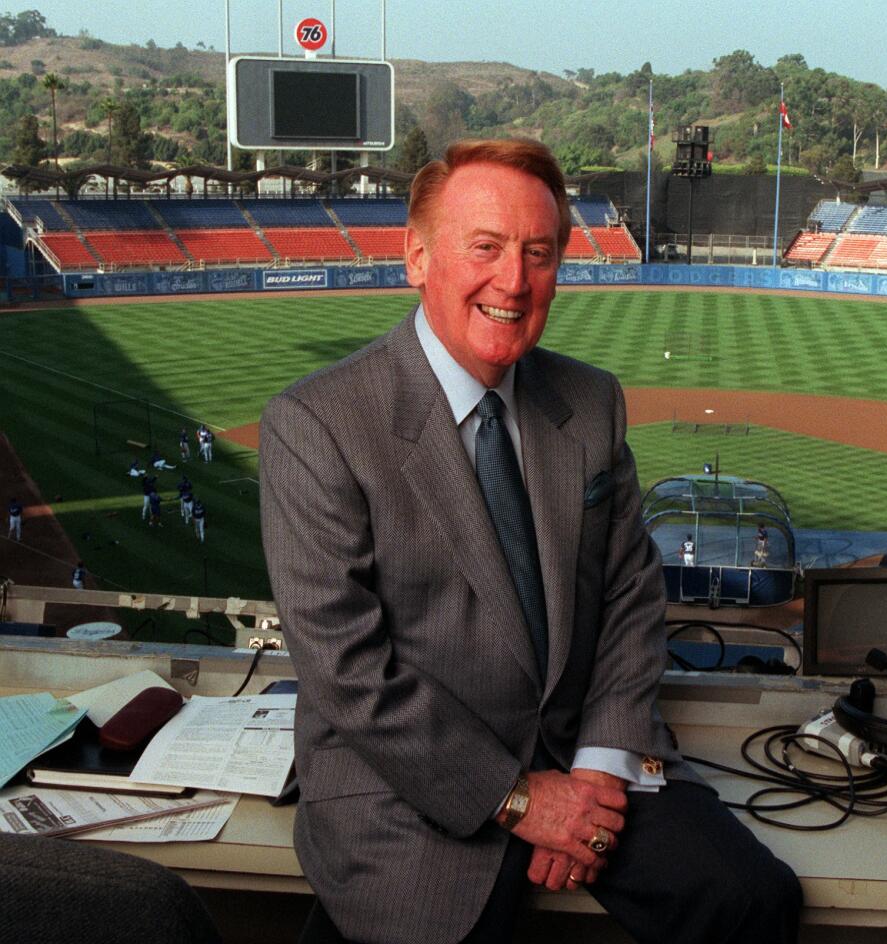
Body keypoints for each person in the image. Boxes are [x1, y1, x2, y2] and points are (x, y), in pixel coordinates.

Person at [259, 139, 800, 944]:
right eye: (485, 247)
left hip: (586, 758)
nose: (513, 281)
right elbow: (349, 674)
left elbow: (628, 602)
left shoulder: (589, 402)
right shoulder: (318, 425)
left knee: (753, 898)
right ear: (417, 257)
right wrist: (521, 800)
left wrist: (599, 768)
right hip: (409, 788)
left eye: (537, 254)